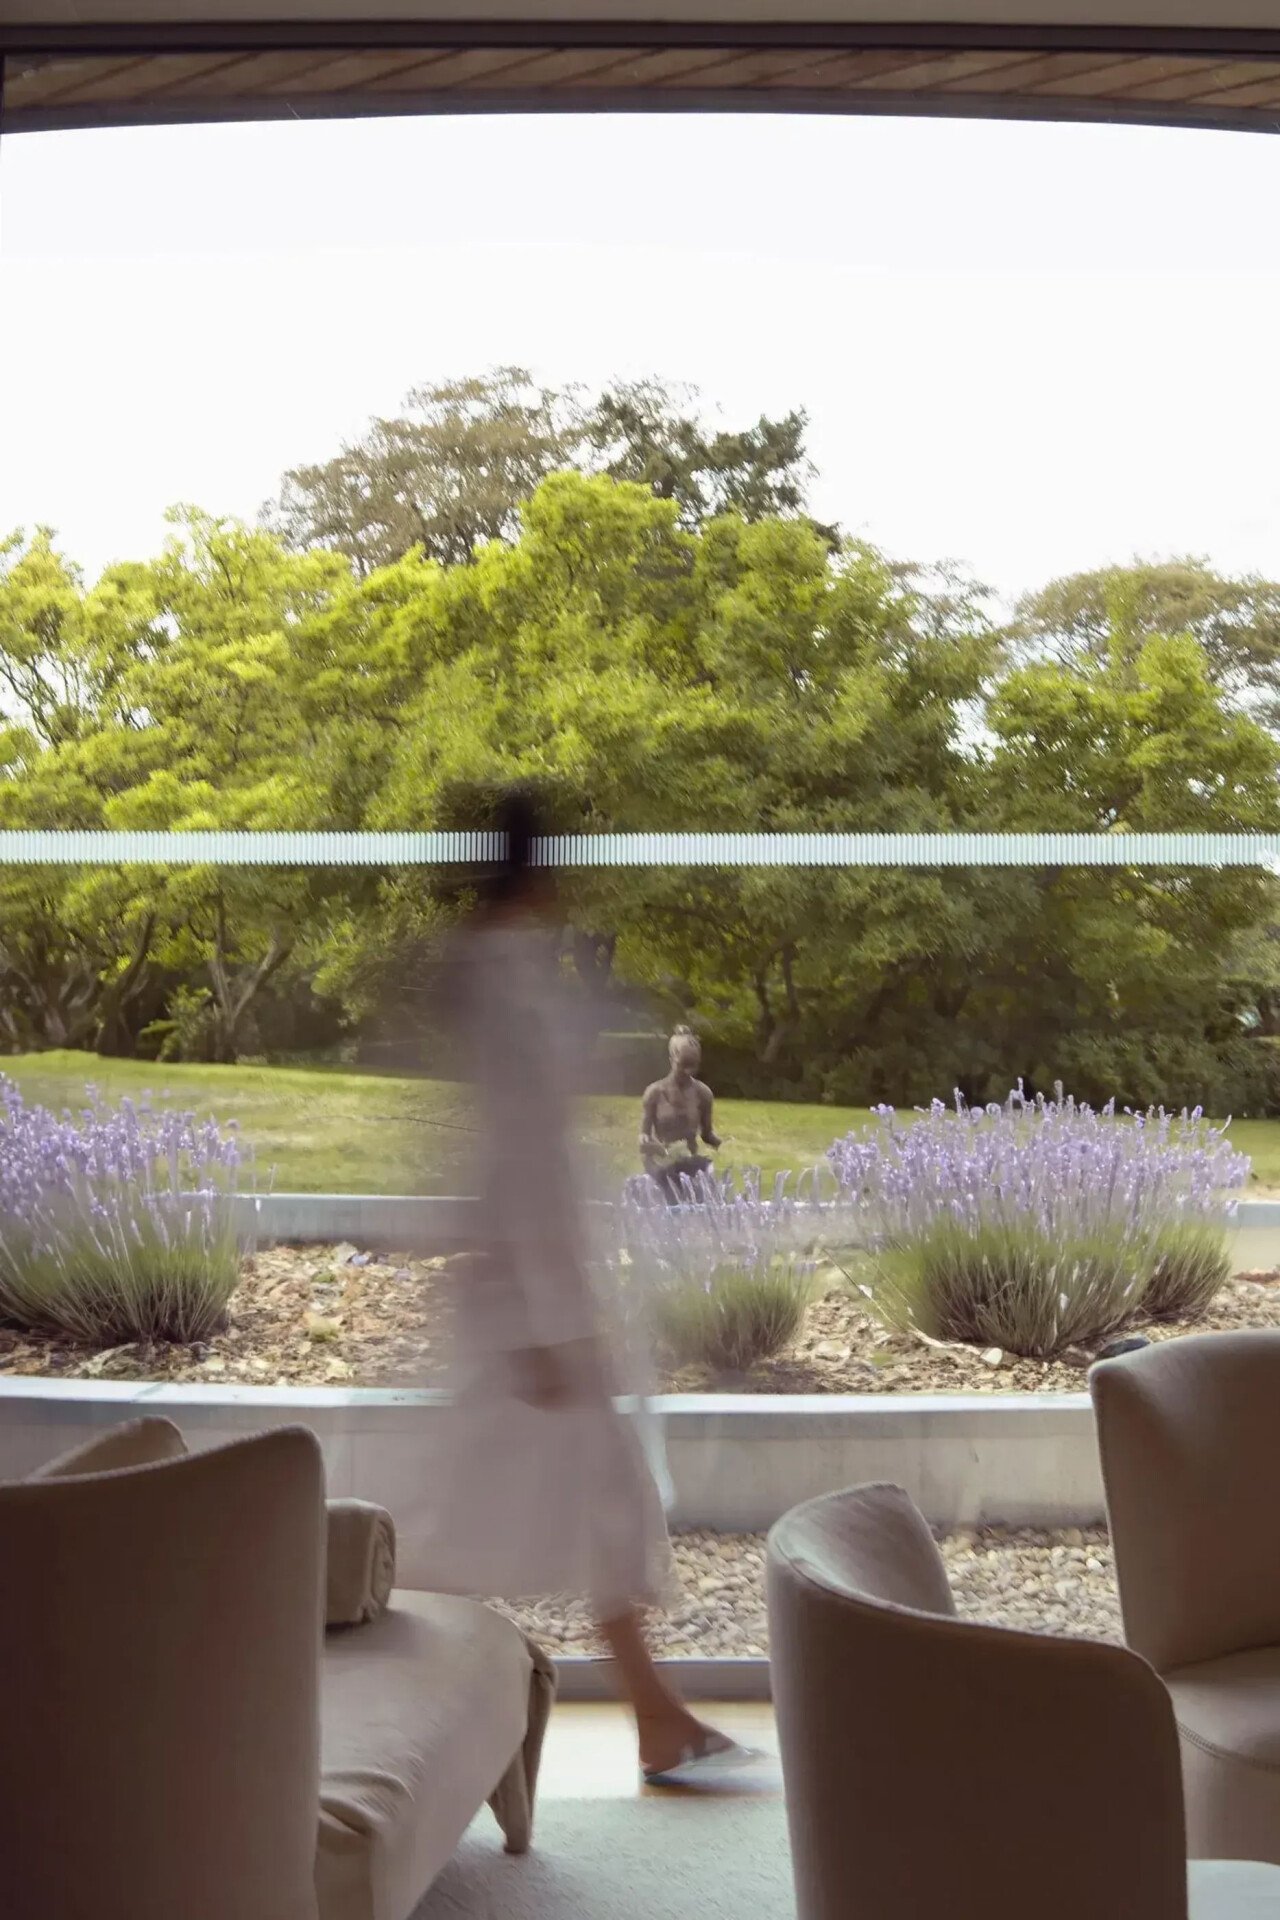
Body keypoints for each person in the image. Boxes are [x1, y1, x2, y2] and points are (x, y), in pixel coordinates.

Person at [424, 789, 754, 1784]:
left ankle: (653, 1717)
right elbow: (512, 1155)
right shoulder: (500, 988)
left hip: (534, 1295)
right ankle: (638, 1718)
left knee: (542, 1501)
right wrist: (546, 1324)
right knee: (522, 1506)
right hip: (528, 1306)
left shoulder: (504, 975)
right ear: (541, 869)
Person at [639, 1026, 722, 1201]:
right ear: (671, 1060)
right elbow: (643, 1139)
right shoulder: (654, 1092)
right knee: (669, 1189)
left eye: (693, 1066)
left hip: (690, 1162)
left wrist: (717, 1140)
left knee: (707, 1185)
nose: (688, 1072)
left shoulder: (703, 1093)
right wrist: (650, 1144)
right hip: (662, 1162)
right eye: (683, 1066)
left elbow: (707, 1134)